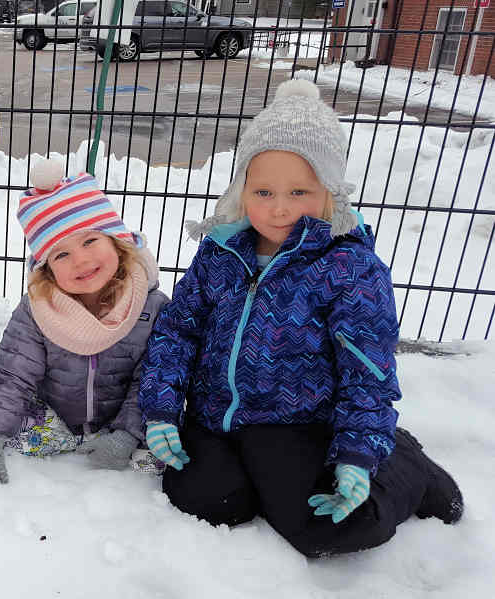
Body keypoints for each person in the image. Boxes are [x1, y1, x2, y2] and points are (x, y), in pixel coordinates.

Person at [139, 79, 463, 557]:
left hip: (297, 423)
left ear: (329, 190)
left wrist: (356, 454)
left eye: (299, 191)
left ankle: (405, 465)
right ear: (242, 190)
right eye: (263, 191)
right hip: (215, 419)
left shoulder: (347, 267)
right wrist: (162, 410)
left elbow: (367, 373)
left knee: (328, 528)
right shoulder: (221, 251)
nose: (280, 208)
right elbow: (178, 331)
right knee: (206, 499)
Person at [0, 159, 169, 483]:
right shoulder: (37, 310)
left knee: (164, 437)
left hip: (121, 419)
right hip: (57, 419)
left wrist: (126, 436)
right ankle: (73, 440)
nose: (80, 260)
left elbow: (153, 378)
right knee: (14, 426)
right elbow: (12, 375)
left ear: (116, 242)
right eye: (61, 255)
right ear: (46, 269)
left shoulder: (150, 306)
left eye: (89, 241)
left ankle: (122, 442)